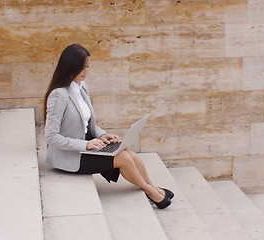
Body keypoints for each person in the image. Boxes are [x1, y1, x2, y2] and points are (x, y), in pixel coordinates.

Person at [44, 43, 173, 209]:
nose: (85, 72)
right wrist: (86, 144)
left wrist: (102, 135)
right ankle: (151, 192)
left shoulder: (82, 88)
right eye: (81, 68)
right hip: (71, 156)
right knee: (124, 158)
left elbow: (87, 123)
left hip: (87, 146)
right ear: (69, 66)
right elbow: (51, 136)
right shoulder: (58, 95)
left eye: (87, 67)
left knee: (129, 153)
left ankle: (153, 188)